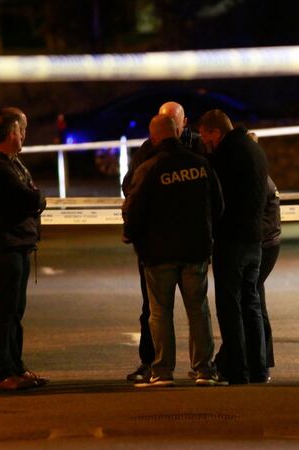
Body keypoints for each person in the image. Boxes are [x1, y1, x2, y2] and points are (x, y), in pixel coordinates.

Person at [122, 114, 225, 387]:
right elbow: (218, 204)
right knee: (198, 310)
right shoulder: (200, 164)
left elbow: (132, 209)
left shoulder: (149, 168)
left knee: (160, 313)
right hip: (195, 250)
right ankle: (204, 369)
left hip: (159, 254)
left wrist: (132, 237)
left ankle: (162, 371)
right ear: (178, 133)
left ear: (154, 137)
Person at [0, 107, 48, 391]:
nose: (24, 135)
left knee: (15, 310)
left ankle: (15, 366)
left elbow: (28, 196)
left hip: (16, 244)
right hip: (4, 245)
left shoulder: (9, 162)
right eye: (21, 130)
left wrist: (34, 197)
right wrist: (38, 198)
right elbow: (28, 198)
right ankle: (0, 372)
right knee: (4, 310)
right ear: (9, 133)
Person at [198, 109, 268, 384]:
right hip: (255, 240)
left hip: (232, 240)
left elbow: (219, 199)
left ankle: (237, 370)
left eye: (205, 136)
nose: (204, 142)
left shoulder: (227, 155)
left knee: (230, 306)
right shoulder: (253, 148)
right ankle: (259, 368)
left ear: (215, 132)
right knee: (251, 304)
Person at [258, 175, 281, 374]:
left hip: (262, 244)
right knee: (255, 300)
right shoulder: (264, 177)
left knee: (252, 302)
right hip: (268, 243)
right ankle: (262, 361)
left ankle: (260, 361)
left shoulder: (258, 179)